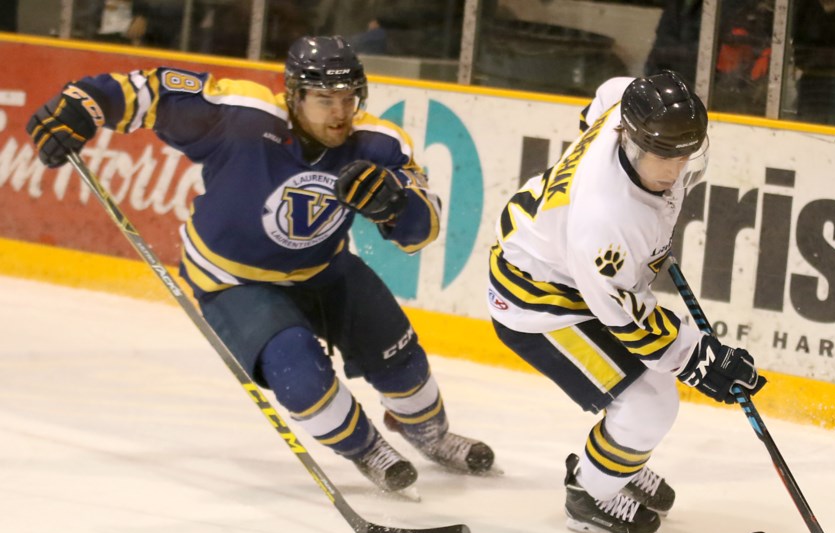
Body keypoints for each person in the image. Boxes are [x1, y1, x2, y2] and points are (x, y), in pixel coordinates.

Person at [27, 35, 495, 492]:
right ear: (294, 95)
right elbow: (151, 90)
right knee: (299, 372)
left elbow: (424, 228)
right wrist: (85, 104)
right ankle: (367, 449)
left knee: (403, 362)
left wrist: (394, 205)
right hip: (234, 280)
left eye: (349, 98)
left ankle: (432, 437)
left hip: (325, 270)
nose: (339, 112)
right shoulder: (241, 116)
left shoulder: (379, 144)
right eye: (325, 99)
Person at [487, 71, 765, 533]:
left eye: (685, 153)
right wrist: (701, 359)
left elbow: (609, 90)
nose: (675, 170)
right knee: (649, 404)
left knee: (648, 394)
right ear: (632, 139)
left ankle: (617, 461)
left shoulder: (627, 107)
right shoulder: (607, 223)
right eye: (663, 154)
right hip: (539, 301)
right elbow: (633, 323)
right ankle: (589, 493)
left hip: (569, 270)